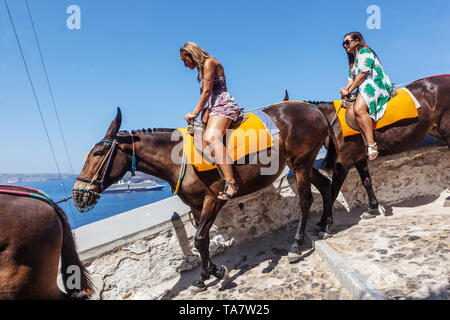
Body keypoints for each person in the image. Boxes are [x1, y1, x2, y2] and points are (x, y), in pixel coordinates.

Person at [180, 42, 240, 200]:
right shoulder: (201, 70)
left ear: (191, 55)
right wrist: (203, 115)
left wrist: (194, 113)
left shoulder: (209, 62)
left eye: (185, 61)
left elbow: (207, 92)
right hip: (213, 107)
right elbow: (206, 97)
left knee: (211, 138)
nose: (185, 65)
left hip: (223, 105)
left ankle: (231, 183)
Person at [340, 32, 392, 160]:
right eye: (343, 44)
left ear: (357, 40)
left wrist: (350, 90)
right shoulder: (353, 61)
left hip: (375, 84)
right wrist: (345, 89)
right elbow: (351, 79)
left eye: (347, 42)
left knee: (358, 109)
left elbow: (363, 74)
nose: (345, 45)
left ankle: (371, 144)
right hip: (362, 86)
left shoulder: (364, 52)